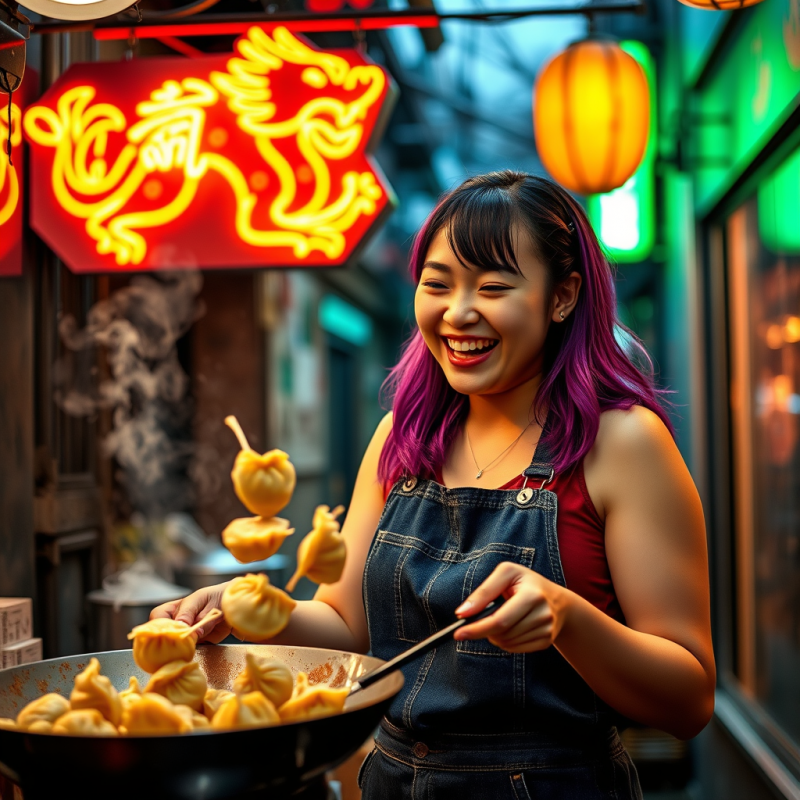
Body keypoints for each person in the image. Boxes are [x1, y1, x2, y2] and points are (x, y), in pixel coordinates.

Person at [152, 171, 715, 799]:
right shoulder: (402, 436)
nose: (458, 313)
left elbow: (688, 698)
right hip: (394, 783)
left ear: (563, 297)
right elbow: (345, 625)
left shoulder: (623, 443)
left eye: (495, 287)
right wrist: (245, 608)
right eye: (437, 285)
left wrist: (567, 618)